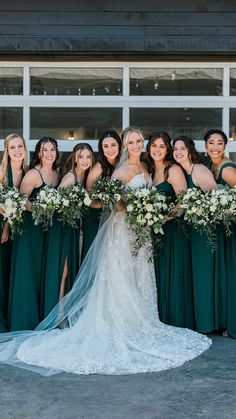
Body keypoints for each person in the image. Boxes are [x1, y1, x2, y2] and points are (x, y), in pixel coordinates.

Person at [0, 127, 210, 376]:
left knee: (139, 273)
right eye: (130, 141)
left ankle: (139, 322)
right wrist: (127, 206)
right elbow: (105, 199)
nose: (134, 145)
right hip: (122, 230)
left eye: (137, 141)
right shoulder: (120, 171)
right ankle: (119, 321)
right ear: (125, 145)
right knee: (119, 274)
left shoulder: (146, 167)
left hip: (140, 233)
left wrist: (148, 212)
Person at [8, 137, 59, 331]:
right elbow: (20, 201)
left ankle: (40, 319)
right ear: (38, 153)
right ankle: (23, 321)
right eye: (44, 150)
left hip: (47, 231)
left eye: (52, 149)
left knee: (41, 272)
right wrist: (39, 209)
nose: (48, 154)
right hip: (30, 231)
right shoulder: (33, 174)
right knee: (28, 272)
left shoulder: (56, 174)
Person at [145, 132, 194, 329]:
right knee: (158, 273)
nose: (157, 150)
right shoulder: (148, 170)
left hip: (174, 230)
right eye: (154, 146)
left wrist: (161, 219)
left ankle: (176, 318)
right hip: (155, 231)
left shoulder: (172, 170)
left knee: (173, 271)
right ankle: (161, 317)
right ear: (149, 148)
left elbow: (183, 202)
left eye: (162, 146)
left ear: (167, 150)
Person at [43, 143, 94, 317]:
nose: (85, 160)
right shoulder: (71, 178)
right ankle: (58, 315)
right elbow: (56, 202)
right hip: (62, 228)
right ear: (75, 158)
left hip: (71, 229)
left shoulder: (83, 177)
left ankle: (63, 312)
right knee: (63, 271)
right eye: (81, 157)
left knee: (68, 269)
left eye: (88, 157)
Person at [173, 136, 217, 334]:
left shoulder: (199, 170)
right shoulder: (182, 171)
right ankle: (200, 321)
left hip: (204, 231)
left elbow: (216, 200)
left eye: (182, 148)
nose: (178, 152)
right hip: (191, 232)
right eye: (175, 149)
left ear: (190, 150)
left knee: (203, 277)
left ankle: (208, 323)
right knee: (196, 277)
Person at [204, 129, 236, 338]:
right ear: (205, 146)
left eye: (220, 143)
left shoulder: (227, 169)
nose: (215, 147)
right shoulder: (211, 168)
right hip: (222, 229)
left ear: (225, 146)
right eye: (211, 143)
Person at [0, 133, 28, 331]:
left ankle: (12, 318)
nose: (17, 151)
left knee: (13, 271)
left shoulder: (28, 171)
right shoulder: (2, 172)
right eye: (13, 147)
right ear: (7, 151)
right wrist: (6, 227)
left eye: (20, 147)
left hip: (18, 228)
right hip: (1, 226)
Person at [81, 130, 122, 261]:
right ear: (101, 149)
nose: (110, 149)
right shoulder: (98, 168)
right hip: (94, 218)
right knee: (94, 256)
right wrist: (108, 201)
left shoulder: (123, 165)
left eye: (113, 145)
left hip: (117, 219)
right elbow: (89, 200)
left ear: (119, 146)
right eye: (105, 146)